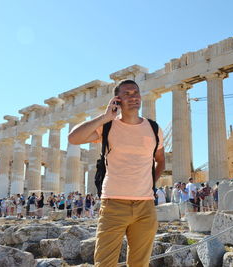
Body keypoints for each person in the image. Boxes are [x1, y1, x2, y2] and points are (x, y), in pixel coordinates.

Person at [68, 79, 165, 266]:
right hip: (113, 204)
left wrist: (150, 183)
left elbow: (160, 160)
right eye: (127, 93)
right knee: (104, 263)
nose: (133, 97)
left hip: (145, 206)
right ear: (117, 99)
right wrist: (105, 117)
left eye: (136, 92)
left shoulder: (154, 128)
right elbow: (73, 138)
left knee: (140, 264)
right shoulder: (108, 126)